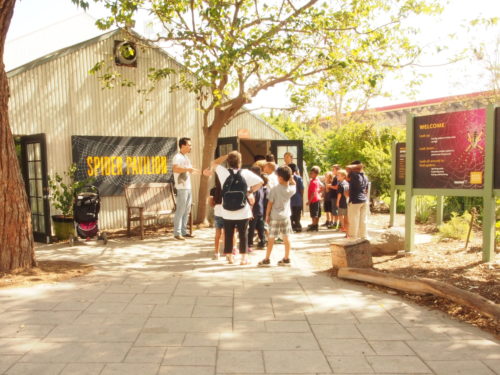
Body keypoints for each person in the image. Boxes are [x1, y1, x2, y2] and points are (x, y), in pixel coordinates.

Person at [210, 151, 263, 265]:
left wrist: (225, 156)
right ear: (240, 162)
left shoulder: (223, 172)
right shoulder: (246, 173)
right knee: (243, 234)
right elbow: (261, 182)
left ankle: (229, 257)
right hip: (243, 211)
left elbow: (213, 163)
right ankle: (244, 258)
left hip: (227, 211)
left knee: (228, 233)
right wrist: (250, 191)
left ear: (228, 162)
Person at [258, 166, 296, 267]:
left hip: (275, 216)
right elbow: (294, 184)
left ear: (280, 177)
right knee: (286, 237)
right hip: (286, 216)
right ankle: (286, 258)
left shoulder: (274, 189)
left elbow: (270, 203)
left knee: (271, 238)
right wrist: (291, 178)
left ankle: (267, 259)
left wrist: (267, 215)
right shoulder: (291, 189)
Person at [172, 137, 199, 240]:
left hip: (188, 187)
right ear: (183, 146)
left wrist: (202, 172)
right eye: (189, 145)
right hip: (181, 188)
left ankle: (183, 232)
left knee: (186, 210)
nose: (190, 147)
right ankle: (177, 233)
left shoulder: (186, 158)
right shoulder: (177, 157)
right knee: (180, 210)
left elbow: (191, 170)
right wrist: (187, 169)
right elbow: (175, 169)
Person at [346, 162, 369, 239]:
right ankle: (363, 237)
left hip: (355, 201)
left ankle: (353, 238)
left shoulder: (354, 175)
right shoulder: (365, 176)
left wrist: (354, 167)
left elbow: (348, 167)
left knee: (353, 220)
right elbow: (366, 190)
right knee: (363, 220)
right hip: (364, 200)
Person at [248, 166, 267, 251]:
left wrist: (250, 210)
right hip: (260, 208)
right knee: (260, 227)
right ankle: (262, 242)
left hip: (254, 209)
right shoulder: (260, 183)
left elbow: (252, 199)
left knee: (251, 227)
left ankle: (250, 243)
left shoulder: (254, 185)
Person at [209, 175, 224, 260]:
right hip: (227, 213)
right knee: (228, 234)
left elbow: (211, 203)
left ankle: (216, 253)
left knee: (217, 235)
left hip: (218, 213)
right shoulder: (227, 189)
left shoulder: (213, 190)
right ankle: (227, 251)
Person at [288, 163, 304, 232]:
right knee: (297, 214)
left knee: (291, 215)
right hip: (297, 199)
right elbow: (302, 188)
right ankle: (298, 226)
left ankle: (292, 226)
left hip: (289, 199)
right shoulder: (298, 178)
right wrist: (301, 196)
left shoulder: (286, 178)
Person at [307, 166, 322, 232]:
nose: (310, 174)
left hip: (313, 200)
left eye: (312, 173)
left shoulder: (313, 182)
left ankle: (314, 225)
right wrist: (319, 193)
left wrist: (309, 201)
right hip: (317, 199)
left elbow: (313, 193)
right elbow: (322, 187)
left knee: (314, 214)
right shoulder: (317, 181)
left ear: (316, 174)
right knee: (317, 213)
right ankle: (315, 225)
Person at [336, 169, 349, 234]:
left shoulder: (340, 184)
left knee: (340, 214)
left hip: (341, 201)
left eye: (338, 175)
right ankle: (346, 227)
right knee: (346, 214)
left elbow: (339, 194)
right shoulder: (346, 183)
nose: (337, 176)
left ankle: (343, 226)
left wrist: (337, 201)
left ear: (343, 176)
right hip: (346, 201)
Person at [329, 164, 340, 229]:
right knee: (334, 210)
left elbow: (336, 187)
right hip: (333, 196)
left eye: (333, 169)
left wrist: (329, 186)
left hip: (335, 196)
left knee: (335, 210)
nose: (332, 171)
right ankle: (335, 223)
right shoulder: (335, 177)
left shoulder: (337, 178)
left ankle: (336, 223)